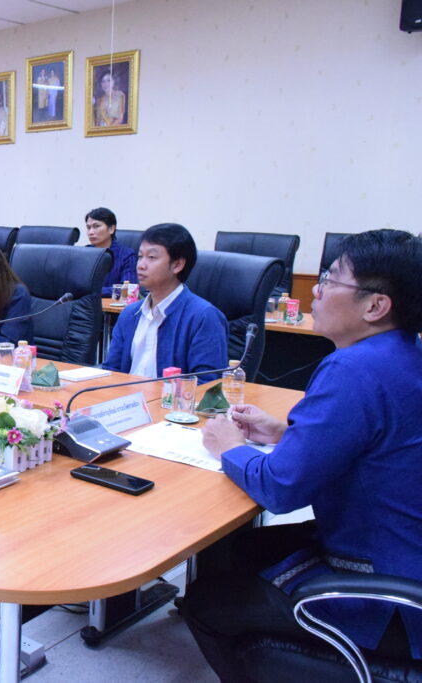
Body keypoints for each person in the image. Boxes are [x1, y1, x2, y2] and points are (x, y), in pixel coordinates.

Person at [185, 229, 422, 678]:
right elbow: (375, 443)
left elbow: (281, 489)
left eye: (331, 279)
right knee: (240, 547)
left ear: (375, 306)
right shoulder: (405, 354)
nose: (315, 289)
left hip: (390, 595)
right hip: (404, 551)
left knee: (205, 604)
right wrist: (283, 433)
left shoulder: (353, 368)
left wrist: (230, 447)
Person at [102, 223, 227, 383]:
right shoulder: (130, 314)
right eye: (140, 256)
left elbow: (207, 385)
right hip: (125, 397)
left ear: (177, 265)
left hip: (170, 400)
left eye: (151, 257)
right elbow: (111, 371)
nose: (140, 265)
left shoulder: (204, 317)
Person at [85, 207, 137, 296]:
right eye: (88, 228)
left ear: (111, 229)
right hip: (84, 303)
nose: (91, 232)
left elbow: (128, 289)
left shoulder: (127, 255)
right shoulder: (84, 253)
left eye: (96, 226)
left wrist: (94, 291)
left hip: (112, 304)